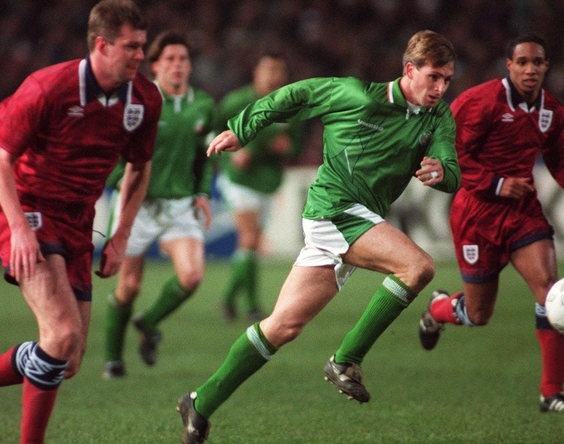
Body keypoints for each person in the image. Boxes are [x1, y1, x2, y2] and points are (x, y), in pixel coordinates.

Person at [176, 30, 460, 443]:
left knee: (282, 326)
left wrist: (443, 172)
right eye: (433, 77)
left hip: (357, 220)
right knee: (417, 267)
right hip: (334, 209)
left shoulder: (438, 117)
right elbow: (294, 95)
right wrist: (244, 128)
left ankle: (200, 403)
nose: (440, 88)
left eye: (447, 79)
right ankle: (346, 360)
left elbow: (450, 164)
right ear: (409, 70)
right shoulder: (355, 95)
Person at [0, 0, 161, 443]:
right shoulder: (49, 87)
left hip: (79, 221)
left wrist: (121, 235)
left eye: (142, 46)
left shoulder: (144, 99)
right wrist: (19, 229)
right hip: (30, 208)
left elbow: (139, 167)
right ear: (101, 45)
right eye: (131, 47)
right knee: (62, 333)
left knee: (67, 359)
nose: (139, 55)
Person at [417, 33, 564, 413]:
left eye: (537, 62)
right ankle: (438, 310)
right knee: (478, 315)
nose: (530, 69)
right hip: (476, 215)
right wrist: (495, 183)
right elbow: (449, 153)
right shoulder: (479, 102)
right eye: (522, 62)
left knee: (550, 293)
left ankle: (552, 393)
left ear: (546, 66)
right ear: (509, 66)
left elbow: (561, 159)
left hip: (522, 213)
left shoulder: (551, 110)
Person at [102, 30, 216, 379]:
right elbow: (112, 151)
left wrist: (203, 192)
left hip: (179, 205)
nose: (177, 65)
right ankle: (113, 360)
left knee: (192, 277)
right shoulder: (138, 100)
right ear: (154, 65)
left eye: (183, 59)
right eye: (170, 59)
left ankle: (148, 322)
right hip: (137, 206)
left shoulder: (203, 105)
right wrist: (119, 182)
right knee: (129, 286)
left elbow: (205, 156)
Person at [215, 52, 304, 322]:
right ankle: (252, 306)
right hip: (238, 179)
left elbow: (295, 147)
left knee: (250, 244)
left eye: (278, 70)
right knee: (250, 239)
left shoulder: (290, 106)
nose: (273, 76)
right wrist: (231, 155)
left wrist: (285, 149)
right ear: (256, 72)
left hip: (267, 181)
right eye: (268, 69)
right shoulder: (237, 102)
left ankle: (228, 298)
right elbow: (213, 132)